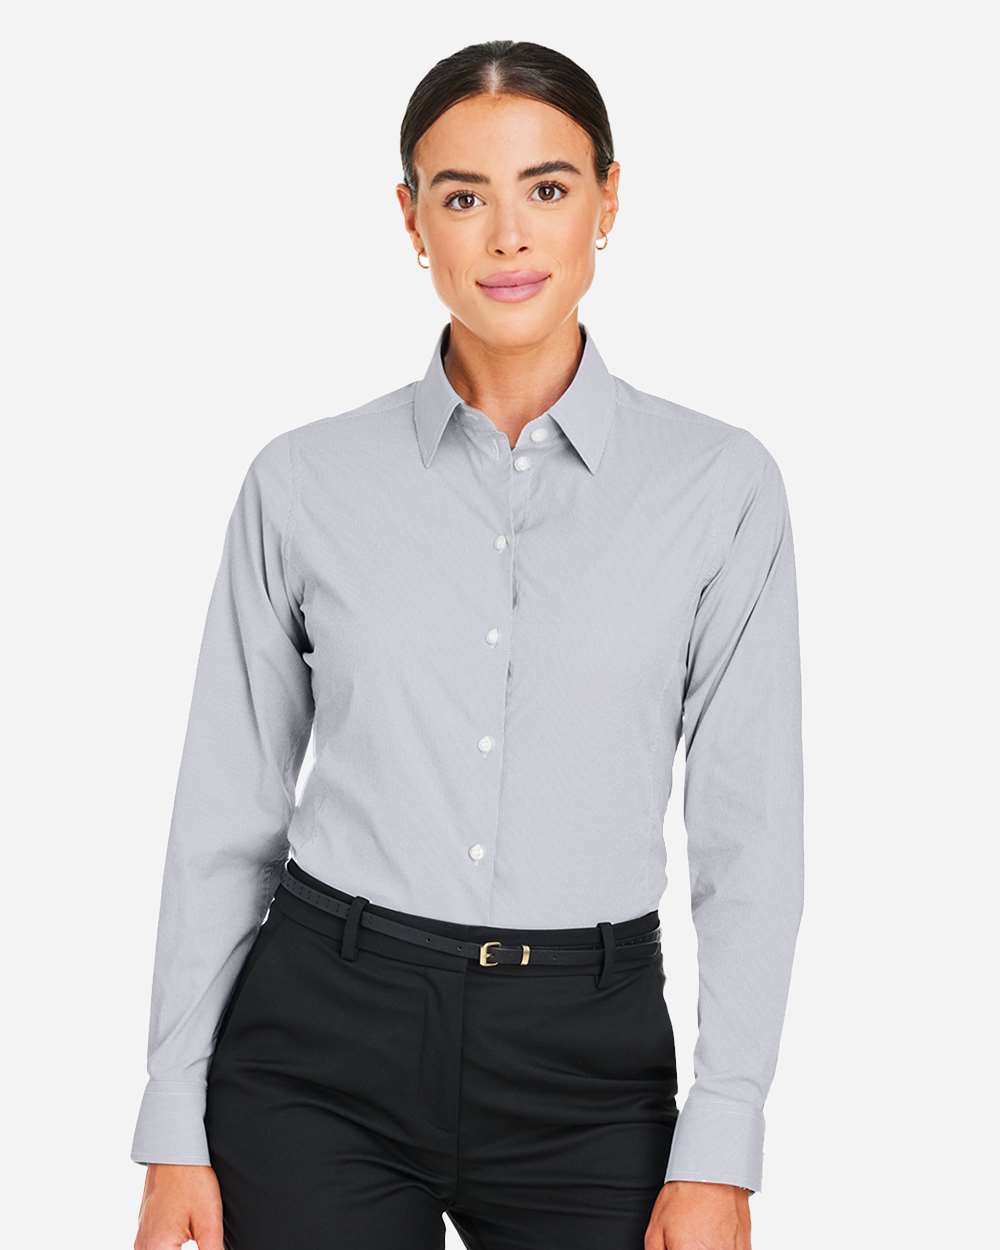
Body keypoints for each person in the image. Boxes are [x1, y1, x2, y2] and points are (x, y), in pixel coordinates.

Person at [131, 39, 804, 1250]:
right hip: (319, 1044)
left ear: (608, 200)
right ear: (410, 219)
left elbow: (747, 840)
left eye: (547, 187)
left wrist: (721, 1141)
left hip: (585, 1066)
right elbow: (225, 811)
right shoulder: (302, 482)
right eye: (461, 196)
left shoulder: (719, 488)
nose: (507, 236)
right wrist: (174, 1113)